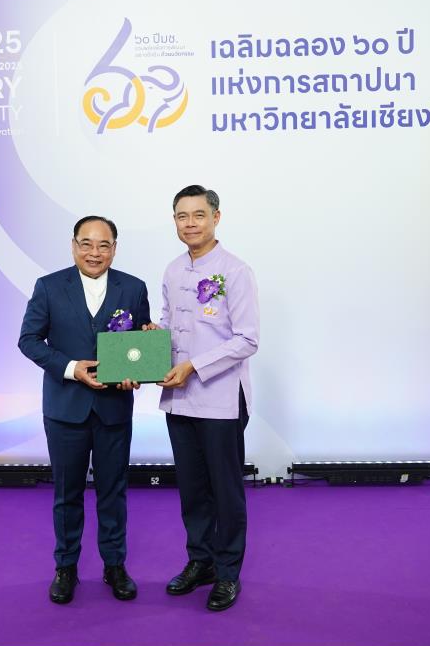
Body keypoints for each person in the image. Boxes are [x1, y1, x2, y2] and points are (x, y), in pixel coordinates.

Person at [18, 215, 151, 604]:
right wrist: (71, 368)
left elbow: (140, 345)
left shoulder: (134, 288)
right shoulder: (48, 287)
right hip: (65, 410)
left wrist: (137, 371)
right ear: (74, 245)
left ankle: (115, 566)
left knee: (114, 492)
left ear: (114, 248)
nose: (95, 252)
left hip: (114, 410)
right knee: (66, 494)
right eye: (87, 244)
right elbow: (29, 340)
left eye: (103, 245)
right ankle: (66, 568)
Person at [143, 185, 258, 612]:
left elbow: (247, 339)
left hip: (221, 399)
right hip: (179, 397)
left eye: (198, 215)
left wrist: (193, 366)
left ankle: (227, 573)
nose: (189, 223)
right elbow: (170, 323)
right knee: (191, 489)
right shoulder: (173, 270)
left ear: (216, 218)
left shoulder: (236, 271)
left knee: (225, 491)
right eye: (181, 216)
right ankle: (201, 561)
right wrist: (155, 339)